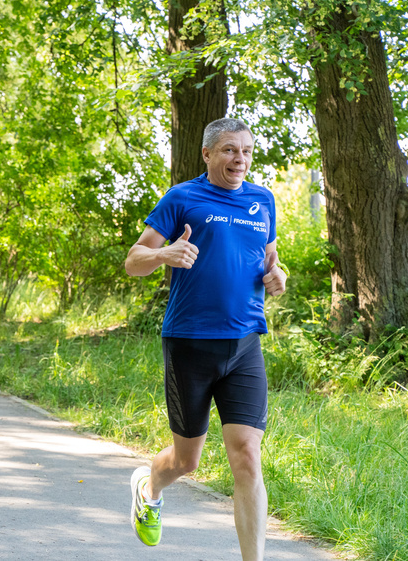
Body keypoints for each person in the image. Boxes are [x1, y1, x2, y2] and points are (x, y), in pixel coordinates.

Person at [124, 118, 288, 561]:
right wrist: (164, 254)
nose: (240, 160)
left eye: (247, 151)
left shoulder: (262, 200)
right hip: (189, 343)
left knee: (247, 456)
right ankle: (150, 485)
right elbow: (133, 260)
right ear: (208, 154)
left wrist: (278, 276)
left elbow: (270, 258)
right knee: (187, 461)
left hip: (244, 345)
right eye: (230, 150)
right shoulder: (183, 198)